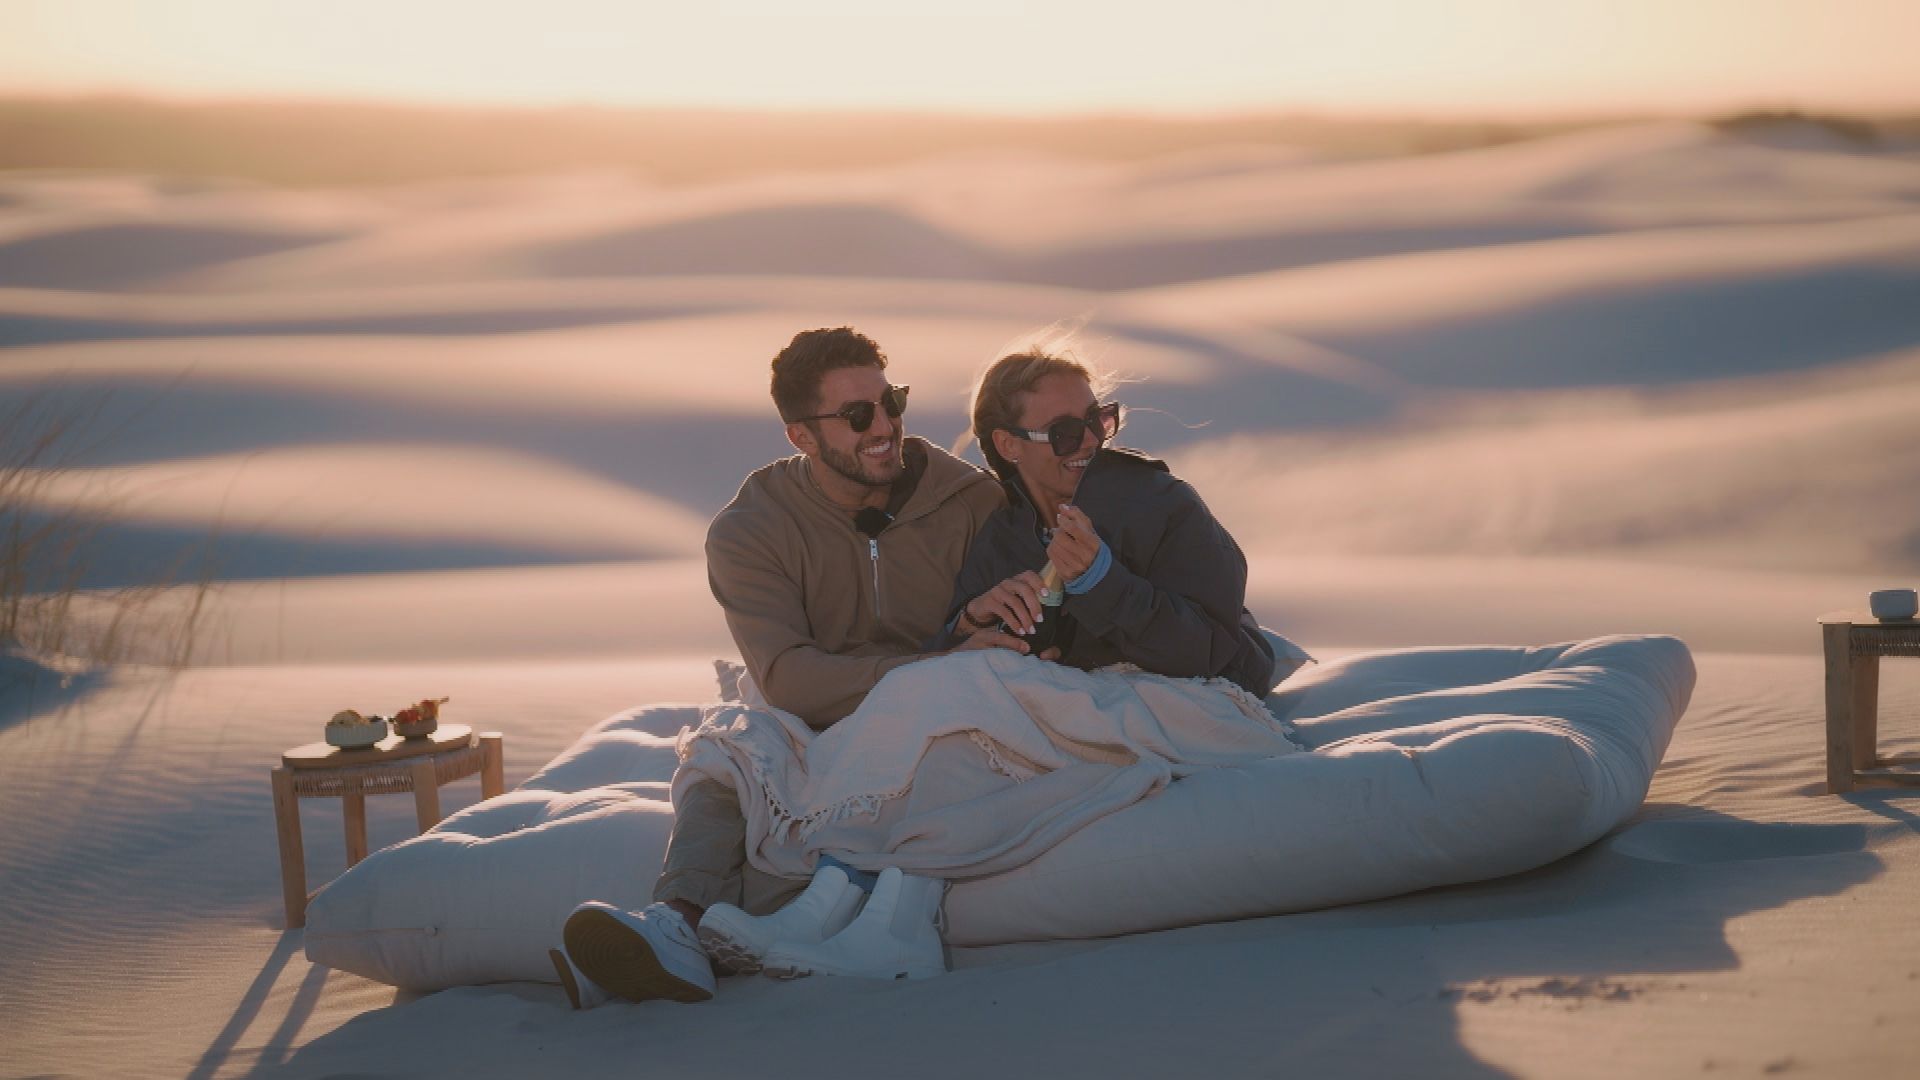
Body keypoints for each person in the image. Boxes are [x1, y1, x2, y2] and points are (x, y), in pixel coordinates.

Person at [552, 327, 1012, 1007]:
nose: (885, 426)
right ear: (802, 437)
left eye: (893, 402)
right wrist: (934, 664)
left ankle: (762, 925)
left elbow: (1008, 632)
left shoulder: (968, 501)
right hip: (814, 711)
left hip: (934, 717)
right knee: (729, 750)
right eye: (858, 416)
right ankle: (674, 924)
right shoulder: (752, 528)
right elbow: (789, 680)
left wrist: (946, 665)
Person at [944, 345, 1276, 696]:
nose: (1089, 441)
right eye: (1064, 432)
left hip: (1204, 696)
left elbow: (1210, 648)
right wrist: (972, 620)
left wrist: (1101, 582)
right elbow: (941, 651)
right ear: (1008, 445)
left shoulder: (1160, 504)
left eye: (1096, 420)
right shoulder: (1001, 536)